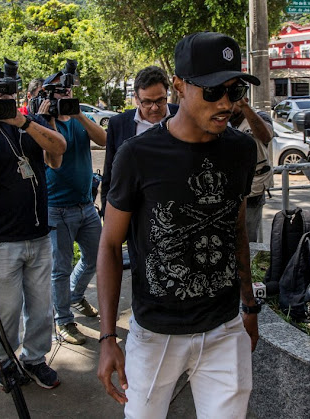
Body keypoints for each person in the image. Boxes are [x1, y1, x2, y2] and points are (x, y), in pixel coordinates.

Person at [97, 32, 261, 418]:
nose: (225, 103)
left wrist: (249, 305)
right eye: (212, 91)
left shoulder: (241, 149)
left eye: (234, 90)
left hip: (224, 330)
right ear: (180, 86)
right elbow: (110, 244)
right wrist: (107, 337)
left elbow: (236, 229)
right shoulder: (137, 155)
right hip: (156, 334)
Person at [0, 84, 67, 390]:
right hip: (0, 239)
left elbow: (59, 148)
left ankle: (34, 358)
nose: (3, 101)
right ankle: (4, 360)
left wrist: (23, 122)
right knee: (7, 310)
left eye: (8, 94)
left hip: (38, 233)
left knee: (42, 308)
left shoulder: (29, 122)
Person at [42, 70, 106, 345]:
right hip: (57, 208)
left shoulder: (82, 119)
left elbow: (104, 140)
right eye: (58, 90)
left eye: (67, 89)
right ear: (48, 94)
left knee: (97, 256)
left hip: (86, 205)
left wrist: (79, 114)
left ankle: (76, 296)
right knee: (60, 268)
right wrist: (49, 119)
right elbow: (52, 157)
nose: (64, 93)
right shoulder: (45, 123)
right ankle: (63, 320)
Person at [101, 66, 178, 214]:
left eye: (160, 100)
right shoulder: (118, 124)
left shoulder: (182, 116)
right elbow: (110, 174)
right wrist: (107, 213)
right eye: (147, 102)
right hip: (132, 212)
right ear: (136, 98)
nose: (154, 108)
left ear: (167, 93)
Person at [229, 98, 274, 242]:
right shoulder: (221, 119)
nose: (228, 107)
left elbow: (266, 136)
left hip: (253, 193)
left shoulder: (260, 117)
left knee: (248, 238)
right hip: (229, 191)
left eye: (232, 101)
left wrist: (244, 106)